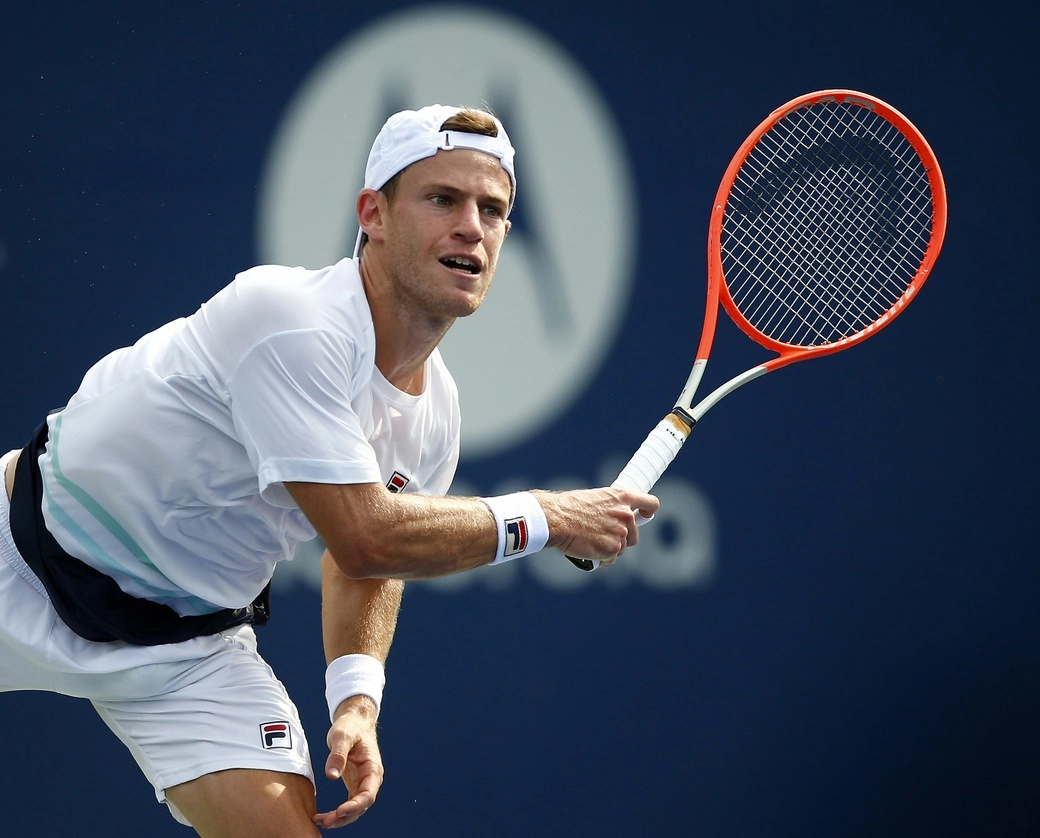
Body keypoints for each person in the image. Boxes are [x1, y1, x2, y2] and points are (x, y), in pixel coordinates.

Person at [0, 104, 658, 836]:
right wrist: (548, 517)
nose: (472, 227)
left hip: (184, 656)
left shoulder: (437, 413)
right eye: (443, 199)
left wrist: (356, 697)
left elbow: (371, 566)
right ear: (373, 214)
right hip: (18, 557)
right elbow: (367, 538)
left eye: (493, 209)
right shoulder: (290, 320)